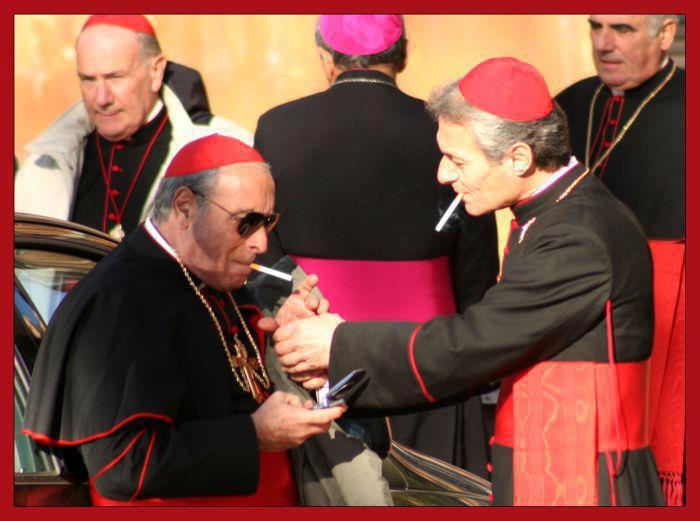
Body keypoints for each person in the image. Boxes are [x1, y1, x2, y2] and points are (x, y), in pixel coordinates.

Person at [270, 57, 666, 506]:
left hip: (585, 478)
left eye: (456, 159)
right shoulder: (556, 213)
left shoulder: (578, 234)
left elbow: (477, 341)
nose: (443, 174)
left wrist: (339, 345)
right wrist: (338, 363)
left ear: (518, 158)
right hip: (553, 461)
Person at [21, 134, 345, 506]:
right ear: (185, 208)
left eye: (268, 222)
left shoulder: (211, 277)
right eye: (247, 222)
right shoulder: (121, 300)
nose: (262, 243)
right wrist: (253, 435)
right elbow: (124, 468)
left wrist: (286, 337)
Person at [254, 14, 499, 475]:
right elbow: (476, 272)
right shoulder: (447, 132)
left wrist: (288, 303)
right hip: (426, 360)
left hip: (316, 363)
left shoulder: (277, 126)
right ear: (401, 55)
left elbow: (259, 247)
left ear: (326, 58)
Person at [555, 15, 685, 505]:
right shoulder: (570, 103)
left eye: (623, 29)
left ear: (665, 34)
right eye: (596, 27)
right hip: (572, 296)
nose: (604, 44)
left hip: (665, 299)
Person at [14, 15, 251, 241]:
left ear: (156, 71)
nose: (102, 98)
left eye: (115, 77)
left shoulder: (221, 152)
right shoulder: (45, 163)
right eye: (88, 79)